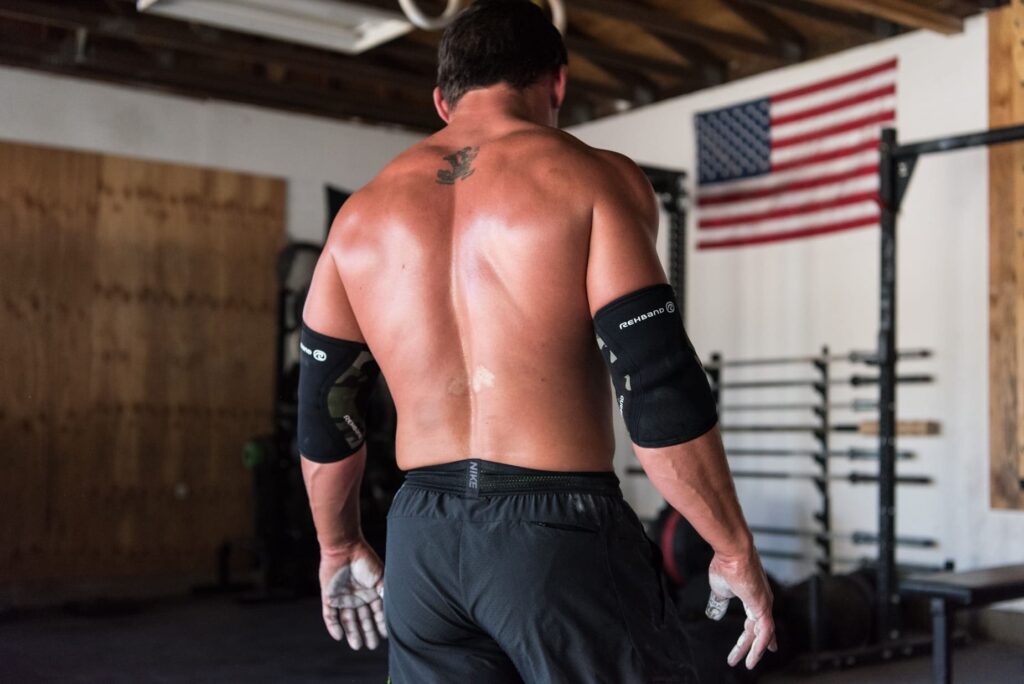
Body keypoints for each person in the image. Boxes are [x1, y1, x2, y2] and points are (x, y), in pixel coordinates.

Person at [296, 1, 776, 681]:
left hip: (422, 540)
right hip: (556, 533)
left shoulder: (357, 220)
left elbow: (324, 420)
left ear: (442, 99)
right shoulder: (591, 179)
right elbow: (659, 391)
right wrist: (730, 547)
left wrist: (337, 545)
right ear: (557, 83)